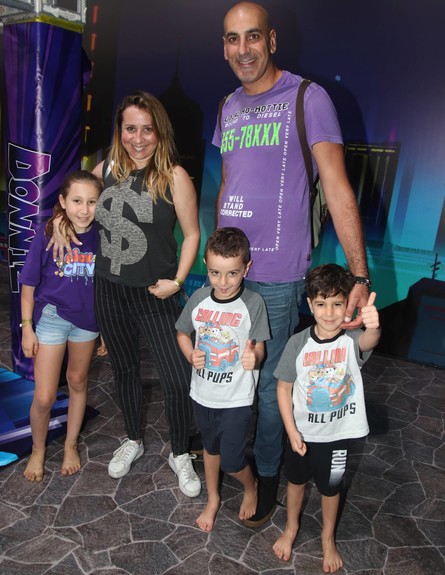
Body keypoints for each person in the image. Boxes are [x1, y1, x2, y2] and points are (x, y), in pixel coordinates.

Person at [212, 1, 371, 526]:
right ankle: (237, 456)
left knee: (267, 389)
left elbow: (338, 188)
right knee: (232, 373)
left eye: (252, 36)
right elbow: (228, 185)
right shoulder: (227, 106)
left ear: (272, 40)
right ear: (224, 47)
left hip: (277, 278)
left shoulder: (308, 97)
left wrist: (359, 275)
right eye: (232, 39)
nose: (243, 49)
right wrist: (216, 259)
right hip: (230, 276)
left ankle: (266, 475)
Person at [50, 92, 201, 496]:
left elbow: (192, 235)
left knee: (176, 379)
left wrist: (178, 281)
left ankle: (180, 452)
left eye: (147, 129)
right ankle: (133, 437)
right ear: (119, 131)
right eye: (130, 128)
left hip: (157, 294)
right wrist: (61, 222)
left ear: (159, 131)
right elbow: (79, 204)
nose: (138, 138)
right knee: (125, 371)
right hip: (109, 290)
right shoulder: (106, 170)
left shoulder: (174, 176)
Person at [272, 264, 380, 572]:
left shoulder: (351, 340)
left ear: (347, 305)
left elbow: (369, 341)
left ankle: (327, 538)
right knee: (295, 482)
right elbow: (283, 388)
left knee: (331, 489)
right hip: (301, 435)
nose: (329, 313)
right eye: (321, 304)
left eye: (337, 304)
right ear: (310, 305)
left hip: (337, 438)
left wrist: (373, 326)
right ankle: (291, 527)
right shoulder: (298, 343)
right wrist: (292, 431)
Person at [175, 227, 270, 531]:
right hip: (202, 394)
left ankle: (251, 486)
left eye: (232, 273)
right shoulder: (199, 298)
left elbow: (259, 346)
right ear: (206, 264)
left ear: (246, 268)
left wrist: (255, 356)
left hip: (236, 399)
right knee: (210, 448)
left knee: (231, 461)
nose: (223, 282)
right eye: (215, 273)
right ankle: (213, 499)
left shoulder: (253, 303)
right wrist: (190, 354)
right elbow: (182, 332)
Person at [19, 170, 107, 482]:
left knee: (78, 382)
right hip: (52, 318)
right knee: (44, 396)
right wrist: (27, 327)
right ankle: (38, 449)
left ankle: (71, 445)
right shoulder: (48, 232)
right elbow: (28, 285)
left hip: (88, 322)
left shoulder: (104, 237)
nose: (84, 209)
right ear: (63, 201)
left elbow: (108, 287)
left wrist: (106, 328)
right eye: (77, 201)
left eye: (92, 202)